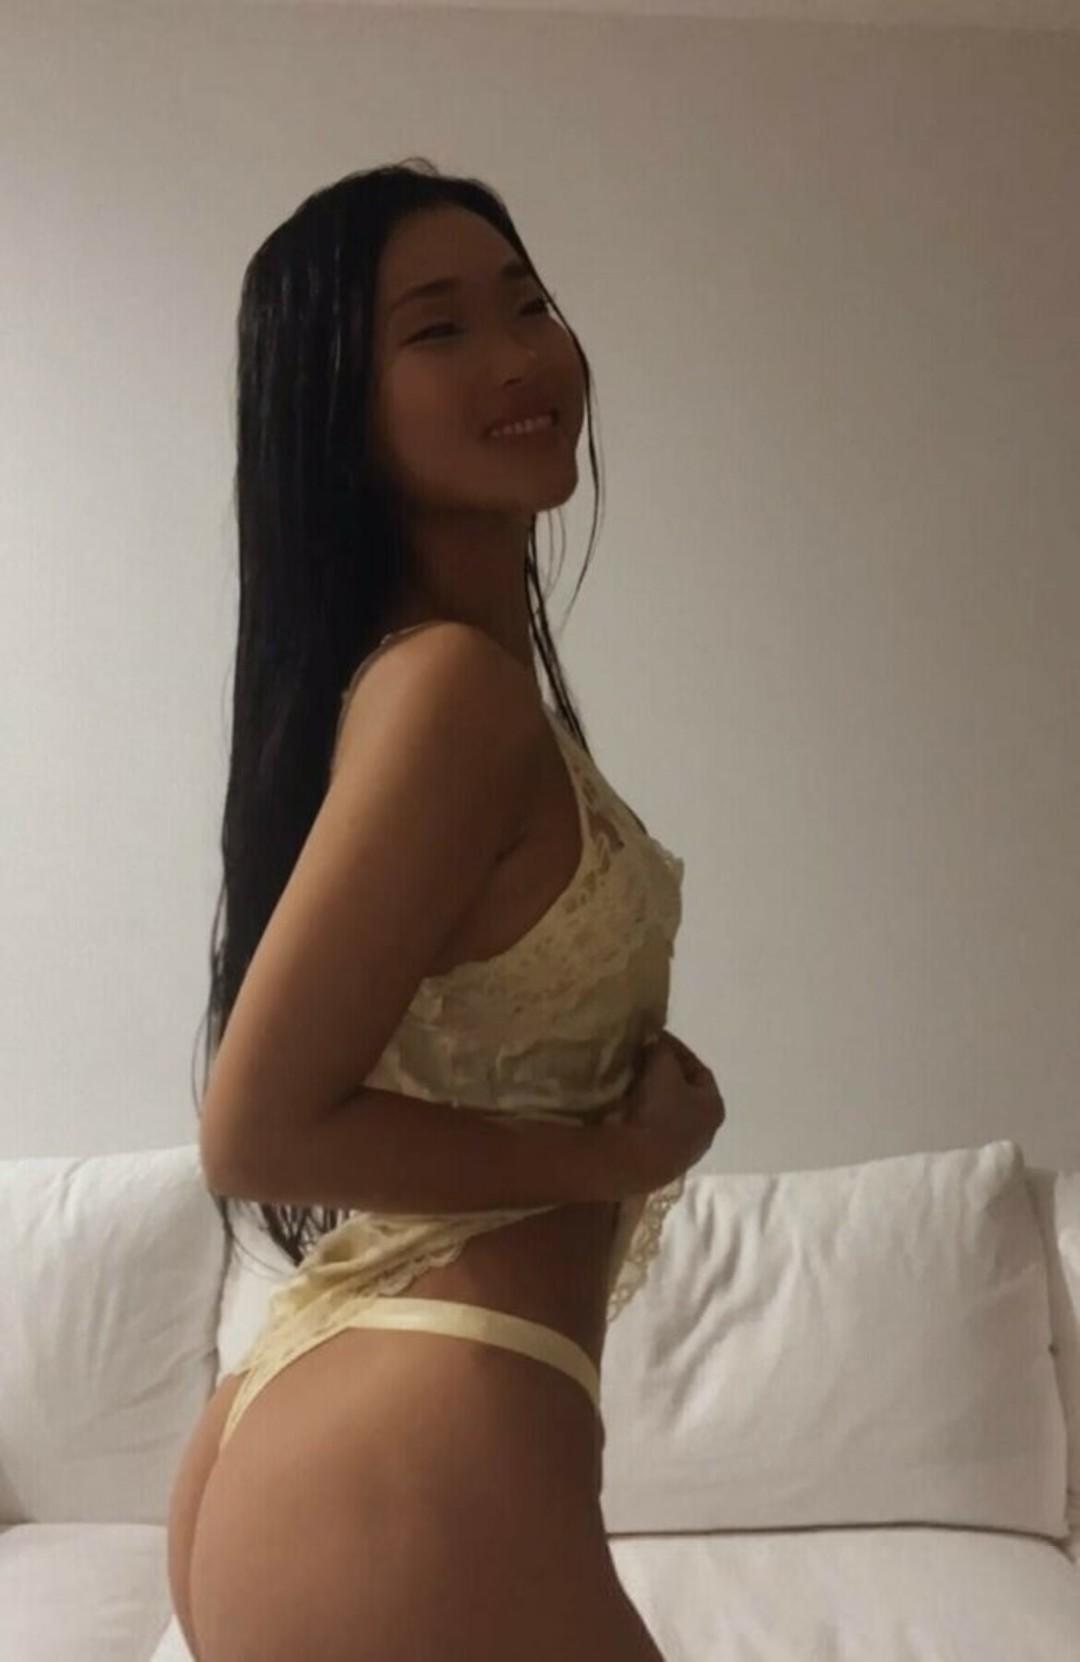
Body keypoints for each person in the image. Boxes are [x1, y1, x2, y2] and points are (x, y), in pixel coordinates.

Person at [166, 158, 724, 1662]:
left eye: (527, 304)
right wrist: (620, 1155)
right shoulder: (452, 693)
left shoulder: (434, 685)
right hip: (413, 1459)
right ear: (337, 412)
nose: (519, 354)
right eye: (439, 329)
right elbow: (254, 1131)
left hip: (371, 1434)